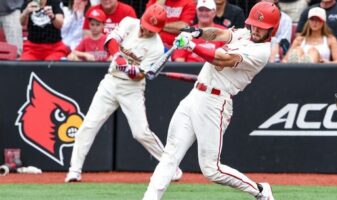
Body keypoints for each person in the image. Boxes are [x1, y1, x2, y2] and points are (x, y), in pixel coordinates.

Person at [142, 2, 280, 200]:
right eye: (254, 25)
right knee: (170, 154)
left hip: (216, 102)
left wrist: (191, 45)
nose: (256, 30)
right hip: (195, 95)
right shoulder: (245, 33)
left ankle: (260, 190)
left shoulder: (262, 52)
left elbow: (221, 59)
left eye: (262, 27)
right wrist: (195, 33)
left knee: (211, 170)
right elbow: (219, 34)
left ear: (272, 29)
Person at [64, 4, 183, 183]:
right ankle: (74, 171)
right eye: (145, 27)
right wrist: (118, 58)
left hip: (132, 89)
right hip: (111, 82)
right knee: (88, 125)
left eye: (151, 30)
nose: (146, 31)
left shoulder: (157, 47)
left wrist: (131, 69)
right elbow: (110, 41)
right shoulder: (130, 23)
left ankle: (171, 166)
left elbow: (139, 76)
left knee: (140, 132)